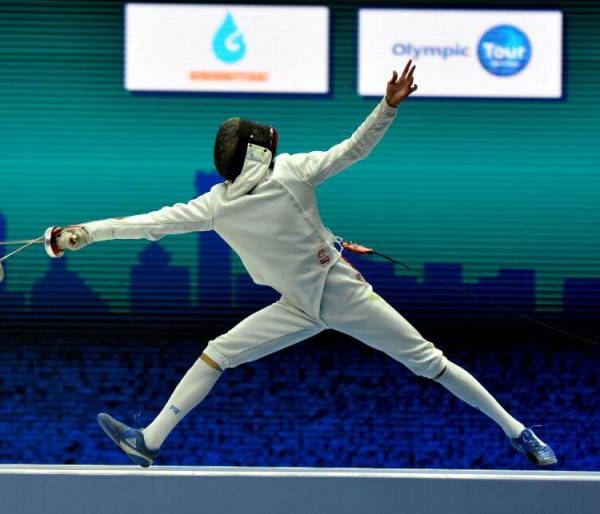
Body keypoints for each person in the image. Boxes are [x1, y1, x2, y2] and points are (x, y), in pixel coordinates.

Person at [53, 61, 557, 467]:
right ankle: (149, 441)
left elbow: (350, 152)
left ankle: (518, 432)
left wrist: (84, 233)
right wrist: (87, 231)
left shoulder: (249, 191)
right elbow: (149, 223)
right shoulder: (244, 192)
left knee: (430, 362)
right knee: (218, 352)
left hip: (340, 292)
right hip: (298, 303)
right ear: (256, 154)